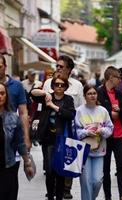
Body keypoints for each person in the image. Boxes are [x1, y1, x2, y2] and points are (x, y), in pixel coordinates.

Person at [43, 55, 84, 199]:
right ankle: (51, 191)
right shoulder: (48, 83)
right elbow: (41, 103)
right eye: (57, 66)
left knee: (65, 164)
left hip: (68, 131)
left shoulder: (77, 86)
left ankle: (66, 189)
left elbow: (79, 110)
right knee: (50, 169)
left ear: (69, 69)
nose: (58, 69)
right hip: (49, 133)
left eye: (61, 66)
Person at [31, 74, 76, 200]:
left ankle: (60, 197)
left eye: (62, 85)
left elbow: (70, 115)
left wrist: (53, 106)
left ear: (66, 87)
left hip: (63, 138)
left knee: (60, 171)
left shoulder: (68, 100)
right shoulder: (46, 97)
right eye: (57, 84)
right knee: (50, 171)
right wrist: (43, 92)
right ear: (52, 86)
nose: (59, 87)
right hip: (48, 138)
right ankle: (50, 196)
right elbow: (31, 94)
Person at [0, 54, 31, 197]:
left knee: (10, 181)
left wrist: (26, 137)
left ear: (5, 67)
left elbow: (23, 113)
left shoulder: (16, 86)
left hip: (12, 137)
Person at [75, 84, 113, 200]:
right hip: (84, 151)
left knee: (97, 180)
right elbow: (75, 131)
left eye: (94, 93)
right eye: (89, 94)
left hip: (99, 150)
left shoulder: (103, 111)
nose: (92, 96)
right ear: (84, 96)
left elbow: (110, 128)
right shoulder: (79, 111)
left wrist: (102, 130)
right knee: (86, 182)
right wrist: (86, 132)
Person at [98, 66, 122, 200]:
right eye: (118, 78)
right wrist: (111, 114)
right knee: (105, 168)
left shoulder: (120, 94)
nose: (120, 81)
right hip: (105, 136)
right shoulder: (99, 93)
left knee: (121, 166)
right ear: (111, 78)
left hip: (119, 135)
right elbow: (96, 112)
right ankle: (108, 196)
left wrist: (120, 111)